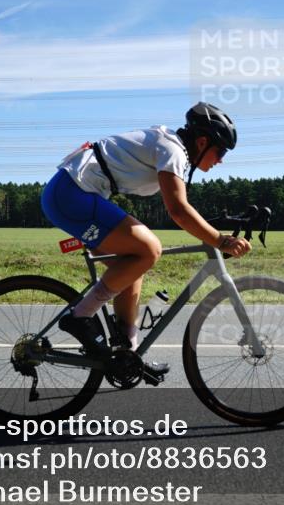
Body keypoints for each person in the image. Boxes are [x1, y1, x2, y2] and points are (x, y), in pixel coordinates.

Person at [40, 102, 252, 377]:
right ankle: (79, 316)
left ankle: (128, 355)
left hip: (73, 193)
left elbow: (182, 206)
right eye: (220, 151)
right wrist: (220, 240)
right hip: (72, 194)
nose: (221, 160)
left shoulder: (173, 149)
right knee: (149, 249)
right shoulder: (173, 150)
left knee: (133, 266)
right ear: (202, 142)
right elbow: (178, 210)